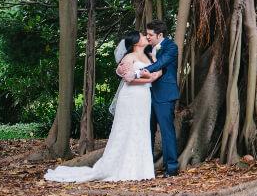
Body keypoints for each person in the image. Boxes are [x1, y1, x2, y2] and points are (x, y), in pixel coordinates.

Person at [44, 32, 161, 182]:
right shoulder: (128, 58)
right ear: (136, 42)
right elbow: (127, 80)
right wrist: (147, 79)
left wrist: (151, 77)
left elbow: (158, 71)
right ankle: (124, 168)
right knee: (127, 129)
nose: (145, 36)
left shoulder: (150, 56)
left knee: (141, 128)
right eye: (142, 36)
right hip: (131, 97)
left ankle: (141, 169)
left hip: (144, 97)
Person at [125, 19, 180, 177]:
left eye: (150, 34)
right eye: (147, 34)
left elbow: (160, 64)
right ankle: (145, 167)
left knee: (166, 131)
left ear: (160, 34)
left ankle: (171, 168)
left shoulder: (171, 47)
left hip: (164, 95)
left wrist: (136, 73)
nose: (147, 37)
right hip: (146, 96)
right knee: (146, 131)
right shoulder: (147, 47)